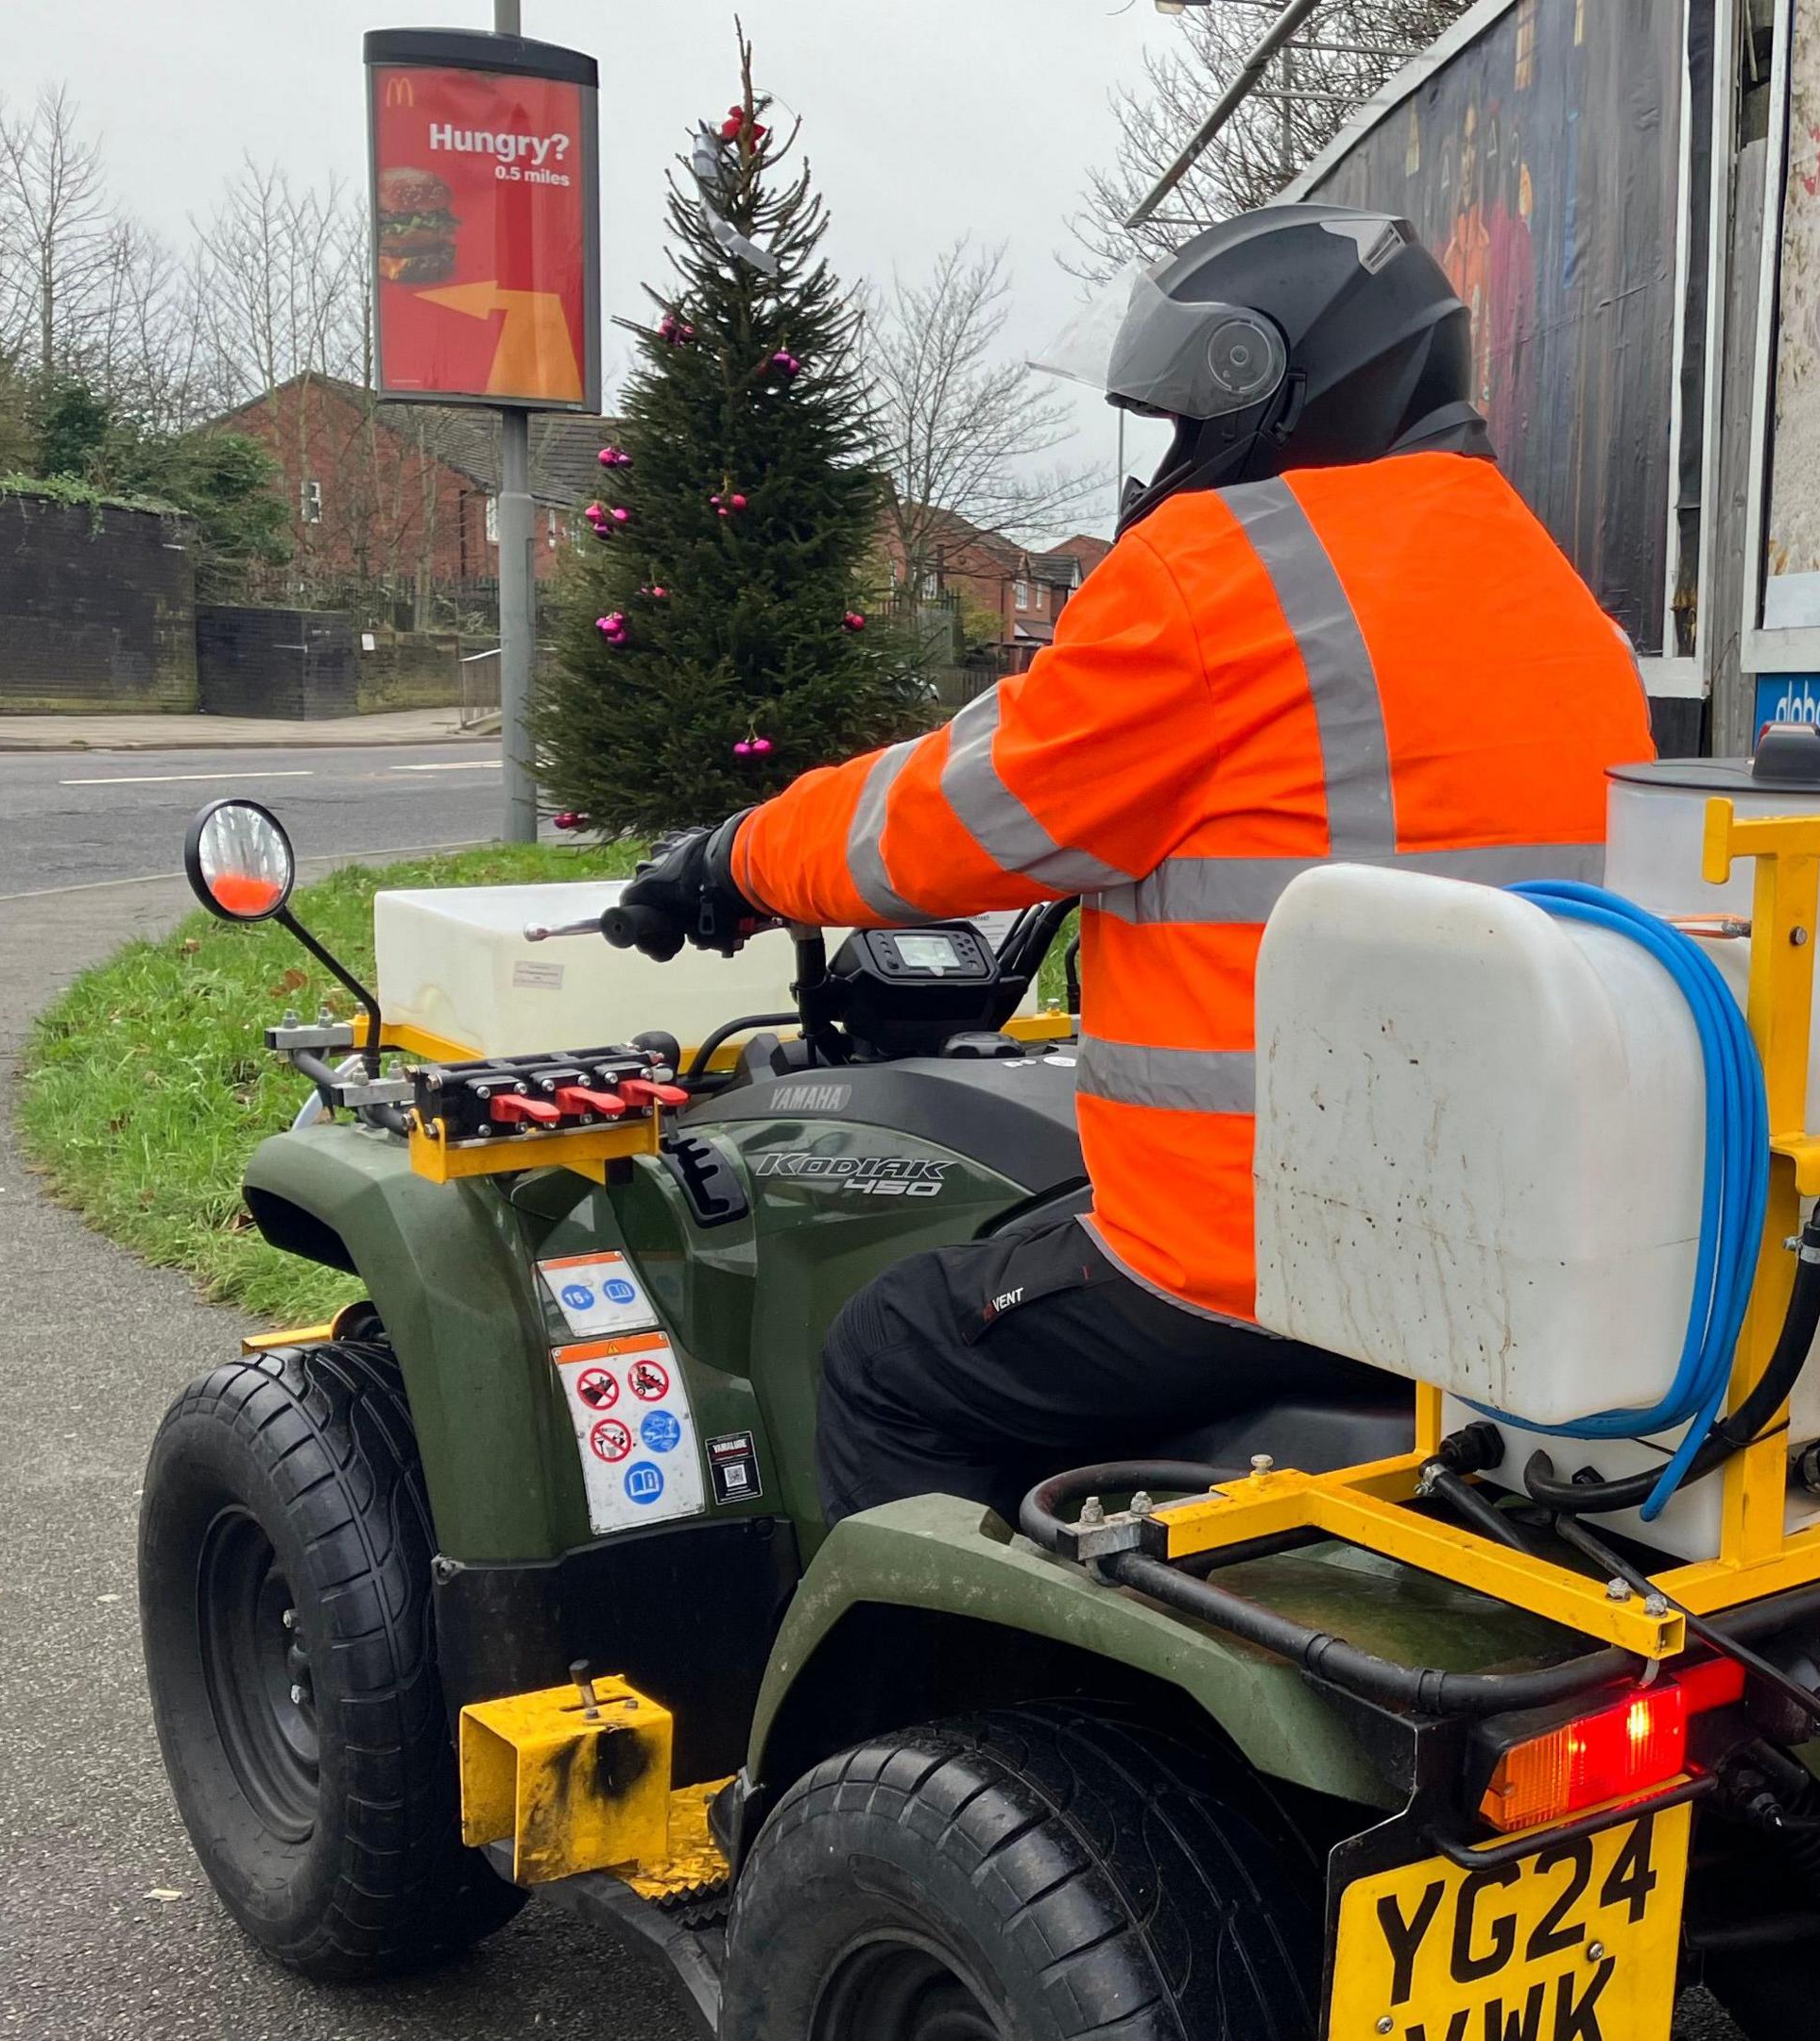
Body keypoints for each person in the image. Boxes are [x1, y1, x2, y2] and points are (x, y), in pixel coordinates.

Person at [598, 205, 1656, 1520]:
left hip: (1263, 1262)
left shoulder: (1224, 577)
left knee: (890, 1358)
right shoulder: (1559, 599)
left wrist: (732, 860)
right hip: (1513, 1246)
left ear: (1264, 392)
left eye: (1176, 419)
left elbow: (951, 815)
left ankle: (920, 1723)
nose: (1168, 459)